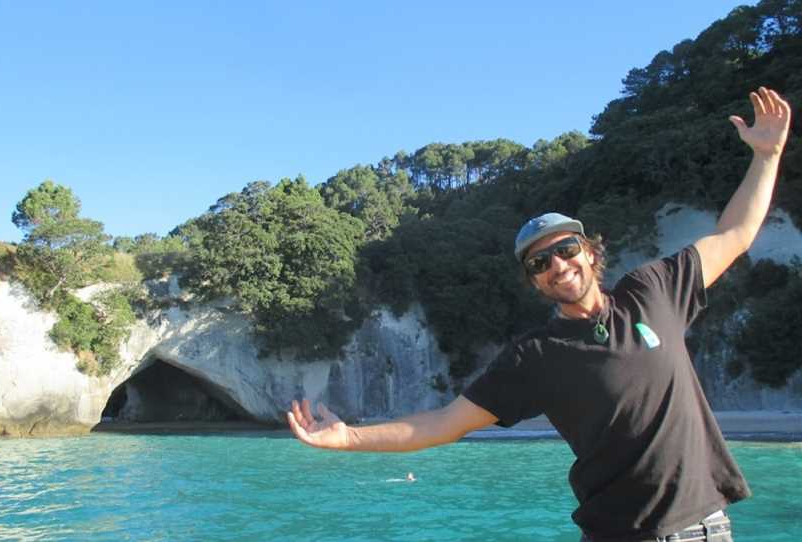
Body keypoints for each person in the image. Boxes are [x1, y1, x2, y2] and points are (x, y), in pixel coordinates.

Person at [287, 87, 792, 541]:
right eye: (539, 262)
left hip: (705, 529)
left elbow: (734, 235)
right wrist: (347, 437)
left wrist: (766, 158)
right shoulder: (535, 356)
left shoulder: (653, 291)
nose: (557, 265)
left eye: (566, 248)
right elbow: (442, 423)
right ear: (534, 280)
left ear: (590, 252)